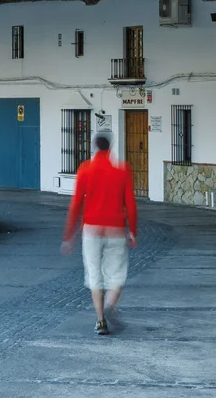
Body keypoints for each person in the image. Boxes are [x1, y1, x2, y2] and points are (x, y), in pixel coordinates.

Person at [61, 132, 138, 335]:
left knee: (94, 274)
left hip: (92, 229)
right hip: (115, 229)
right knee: (117, 273)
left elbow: (76, 204)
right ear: (110, 148)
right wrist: (133, 231)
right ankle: (110, 306)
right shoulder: (123, 171)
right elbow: (130, 204)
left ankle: (101, 320)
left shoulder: (85, 169)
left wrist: (69, 236)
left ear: (95, 147)